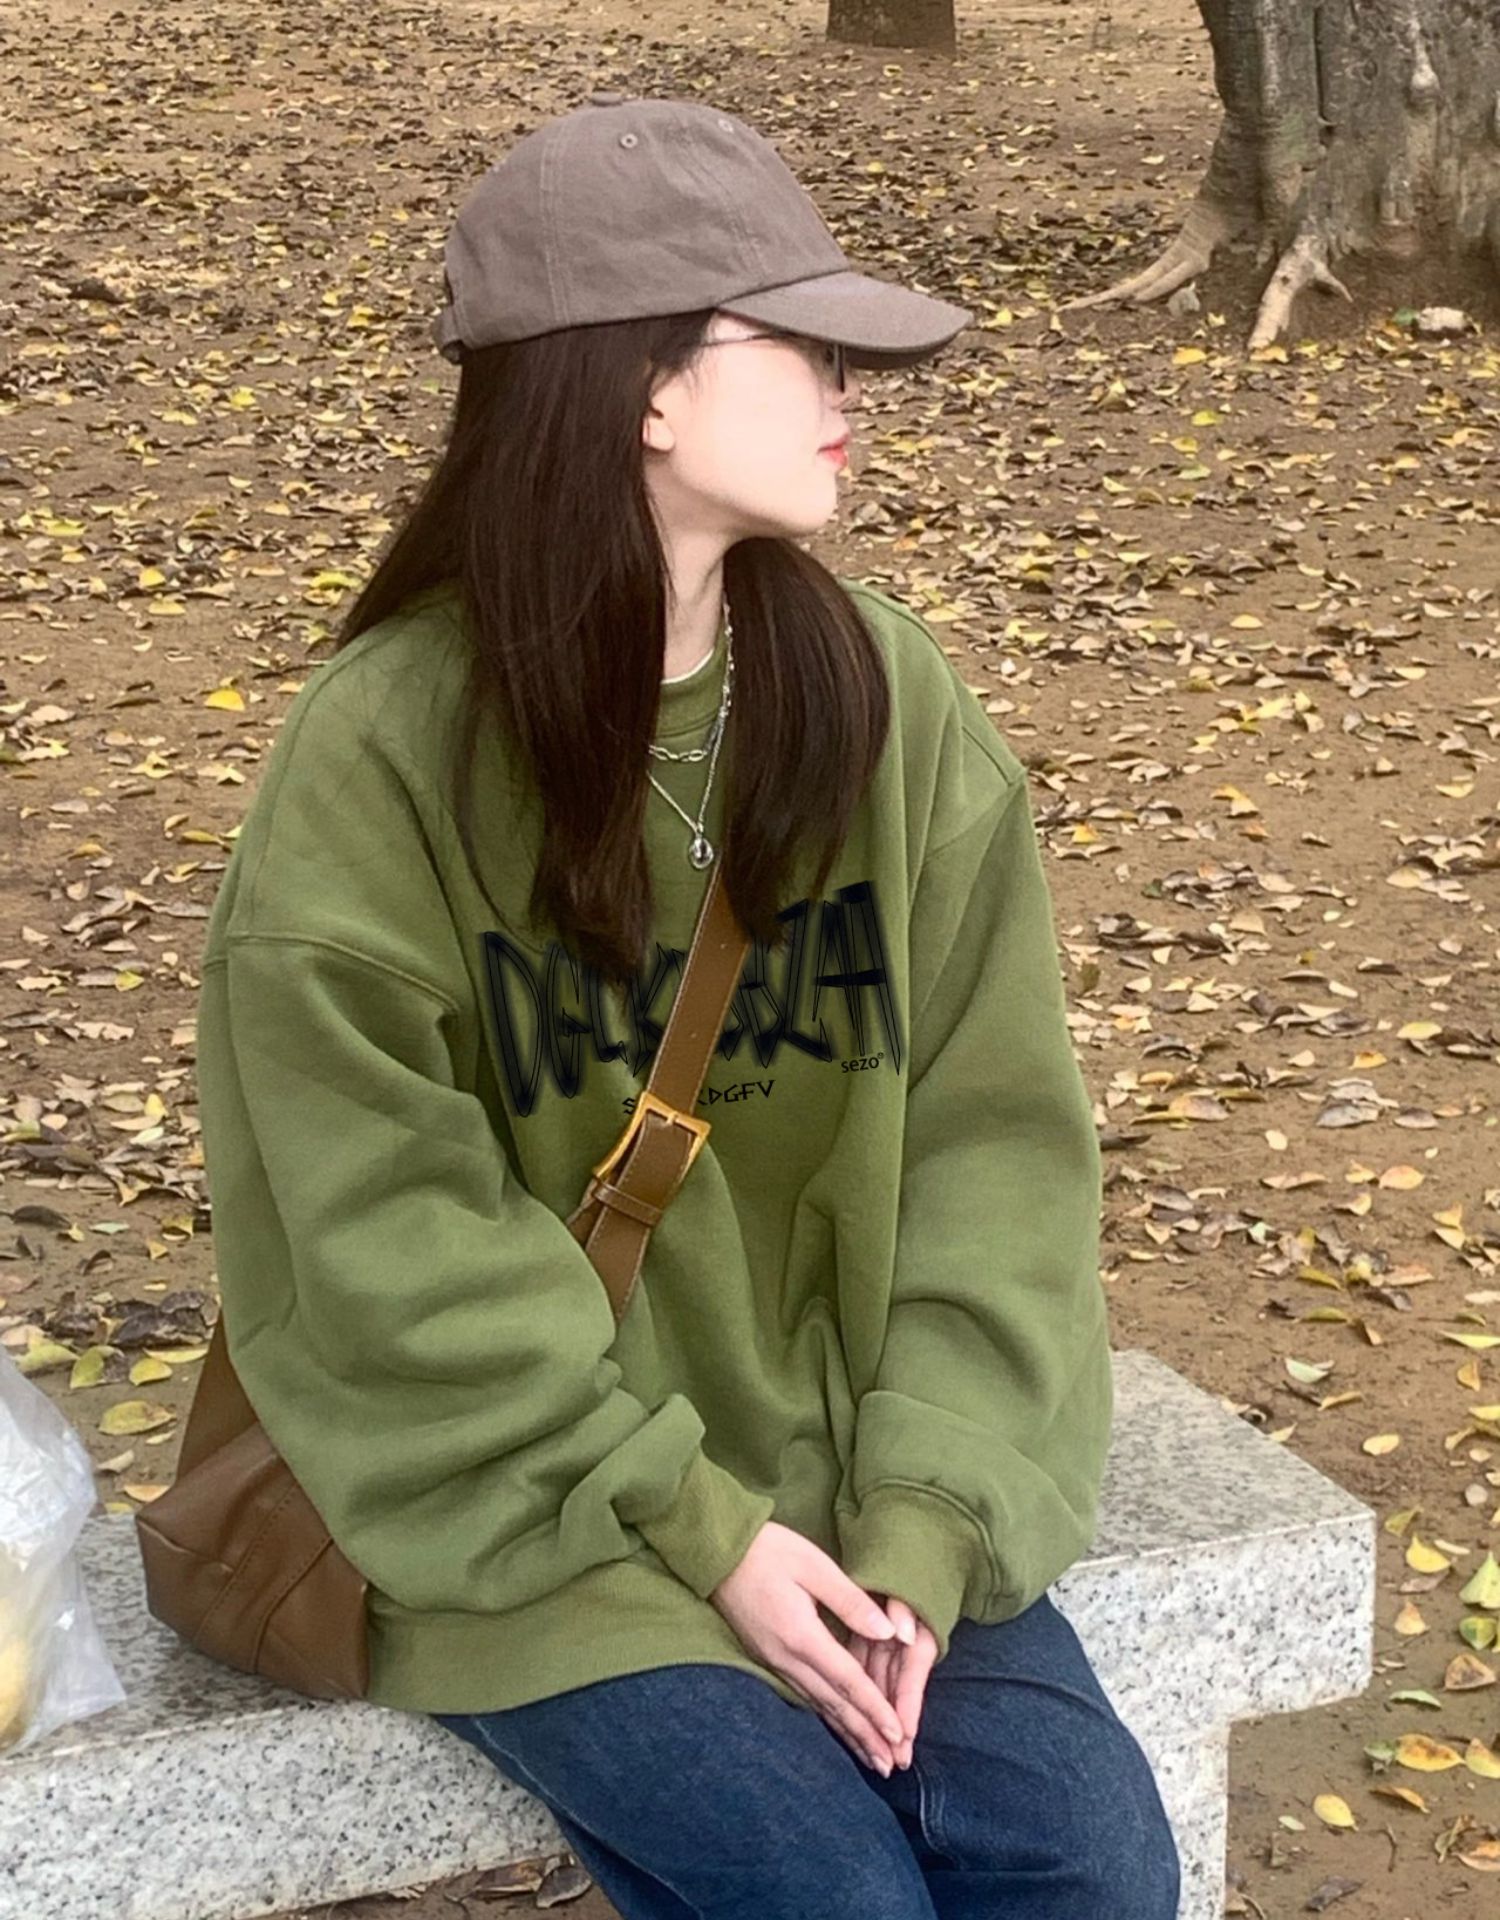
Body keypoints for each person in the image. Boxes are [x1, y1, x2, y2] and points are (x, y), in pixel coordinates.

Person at [191, 91, 1181, 1919]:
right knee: (830, 1899)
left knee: (1090, 1867)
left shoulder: (883, 707)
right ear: (645, 387)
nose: (847, 386)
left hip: (859, 1471)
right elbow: (380, 1230)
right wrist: (705, 1528)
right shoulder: (380, 761)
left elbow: (996, 1155)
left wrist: (924, 1523)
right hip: (533, 1501)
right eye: (797, 342)